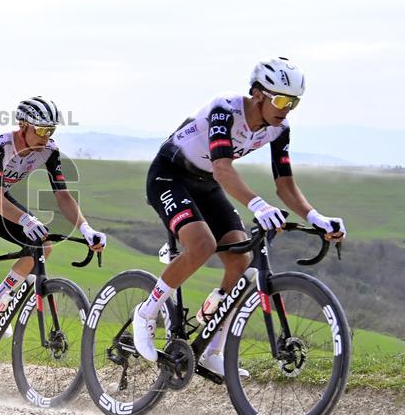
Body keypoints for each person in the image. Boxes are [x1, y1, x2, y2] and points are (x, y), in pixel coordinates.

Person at [133, 58, 347, 376]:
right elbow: (223, 168)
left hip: (206, 183)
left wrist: (316, 217)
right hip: (169, 175)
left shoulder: (279, 128)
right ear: (258, 94)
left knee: (241, 262)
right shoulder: (226, 108)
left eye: (294, 102)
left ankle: (211, 349)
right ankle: (146, 312)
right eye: (282, 100)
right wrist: (258, 206)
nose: (287, 109)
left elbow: (285, 184)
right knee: (202, 245)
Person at [0, 97, 106, 378]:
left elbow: (63, 196)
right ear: (23, 126)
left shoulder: (49, 151)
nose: (47, 136)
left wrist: (86, 228)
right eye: (42, 130)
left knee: (43, 246)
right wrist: (24, 219)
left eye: (52, 130)